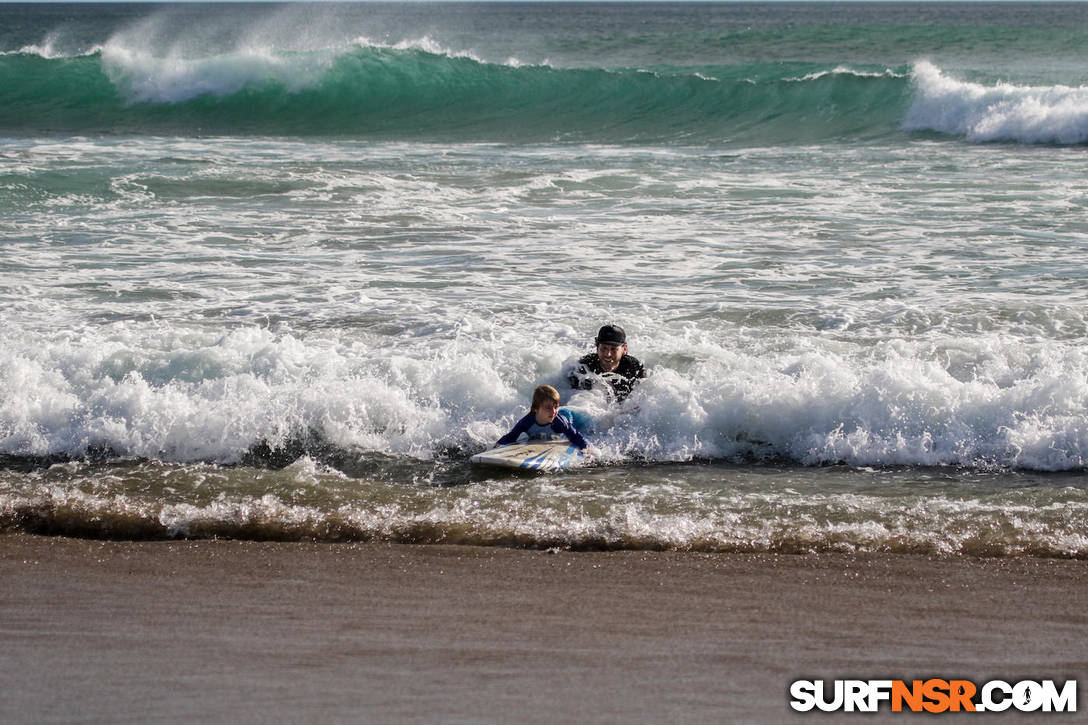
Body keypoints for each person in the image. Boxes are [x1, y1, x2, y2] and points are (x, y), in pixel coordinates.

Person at [568, 324, 646, 403]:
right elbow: (574, 401)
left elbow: (642, 399)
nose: (608, 354)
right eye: (604, 348)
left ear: (624, 349)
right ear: (597, 348)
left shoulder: (634, 368)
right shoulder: (584, 367)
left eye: (613, 349)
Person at [495, 384, 589, 449]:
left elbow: (575, 436)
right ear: (535, 408)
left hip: (567, 417)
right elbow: (512, 436)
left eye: (555, 407)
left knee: (566, 417)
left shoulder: (559, 423)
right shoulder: (527, 422)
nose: (553, 411)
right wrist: (499, 444)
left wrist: (585, 448)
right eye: (548, 408)